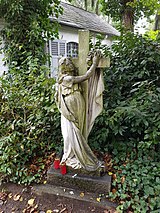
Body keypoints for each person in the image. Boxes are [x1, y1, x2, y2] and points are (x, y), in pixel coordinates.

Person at [55, 51, 104, 171]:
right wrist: (94, 63)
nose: (70, 63)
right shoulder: (66, 78)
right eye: (66, 62)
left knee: (78, 129)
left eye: (68, 61)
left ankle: (78, 152)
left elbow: (85, 74)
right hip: (70, 105)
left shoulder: (70, 77)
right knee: (68, 133)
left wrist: (90, 63)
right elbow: (86, 76)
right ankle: (72, 153)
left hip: (77, 103)